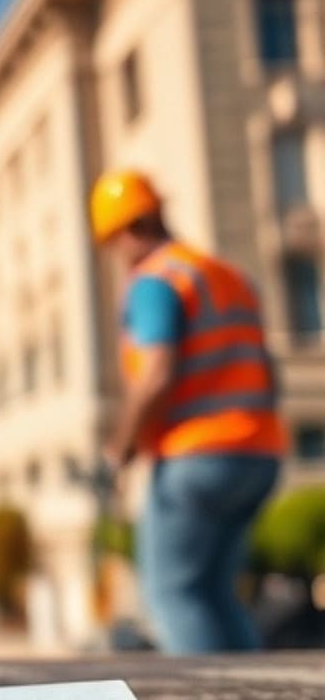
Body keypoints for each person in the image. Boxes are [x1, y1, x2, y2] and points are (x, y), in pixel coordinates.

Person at [91, 170, 284, 654]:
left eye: (113, 242)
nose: (117, 255)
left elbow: (155, 373)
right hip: (259, 453)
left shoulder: (156, 281)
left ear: (129, 231)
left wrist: (119, 449)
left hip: (195, 458)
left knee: (172, 594)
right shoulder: (227, 276)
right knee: (219, 594)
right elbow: (268, 373)